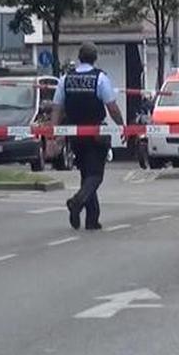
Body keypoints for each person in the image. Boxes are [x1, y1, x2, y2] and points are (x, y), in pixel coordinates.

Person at [51, 43, 125, 231]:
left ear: (80, 57)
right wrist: (122, 125)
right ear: (95, 58)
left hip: (74, 133)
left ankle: (92, 219)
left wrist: (55, 132)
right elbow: (111, 106)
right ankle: (77, 202)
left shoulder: (66, 78)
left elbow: (57, 107)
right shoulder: (100, 78)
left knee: (86, 174)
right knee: (96, 175)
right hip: (95, 132)